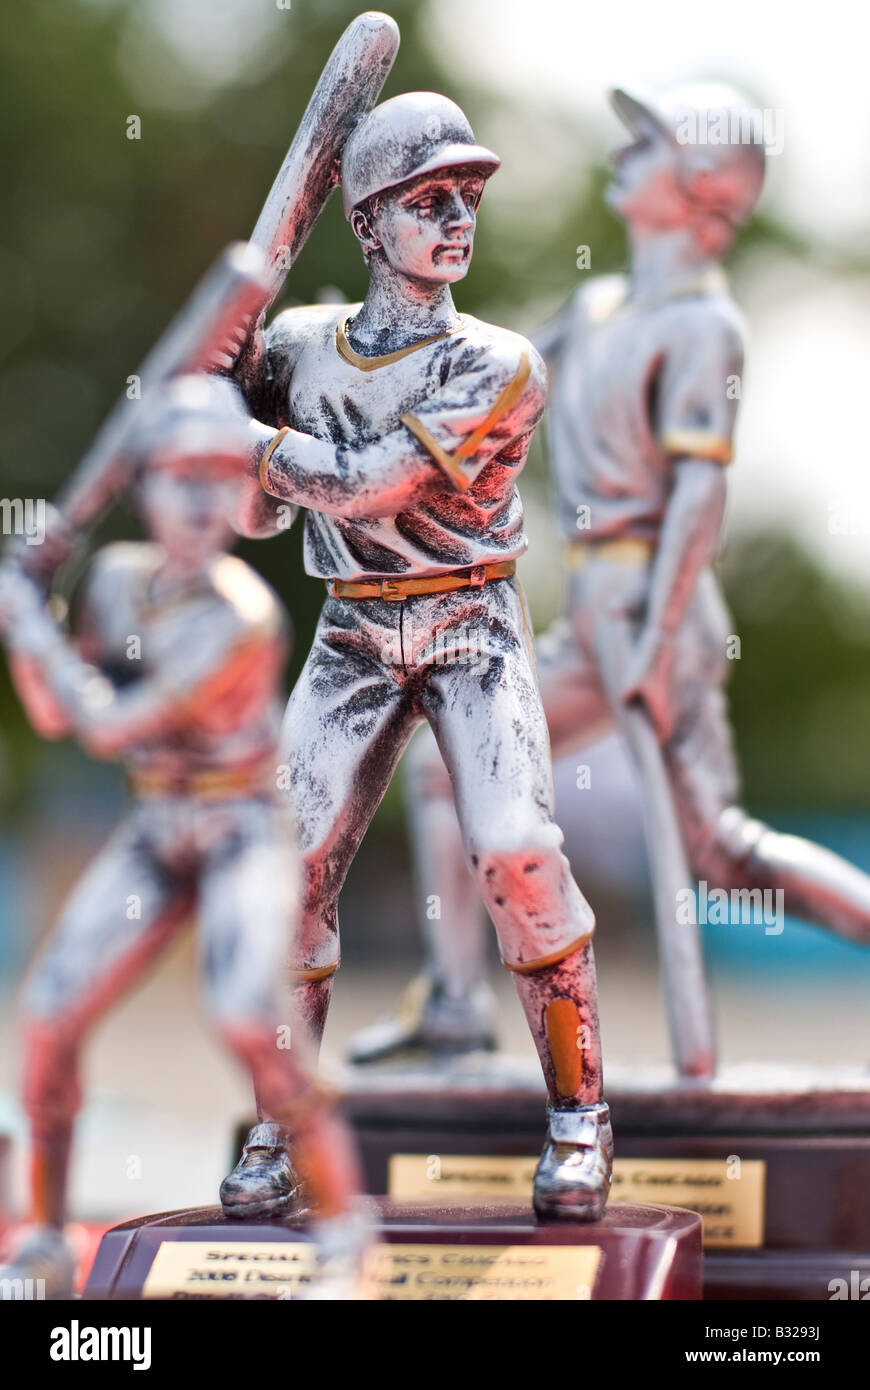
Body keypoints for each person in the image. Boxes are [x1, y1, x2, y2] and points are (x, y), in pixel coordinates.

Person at [350, 83, 870, 1068]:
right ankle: (457, 1000)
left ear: (701, 185)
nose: (622, 158)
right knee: (441, 768)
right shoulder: (593, 306)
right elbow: (475, 377)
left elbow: (697, 500)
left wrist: (658, 631)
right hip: (591, 604)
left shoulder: (701, 328)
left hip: (653, 610)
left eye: (649, 147)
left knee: (719, 850)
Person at [224, 92, 613, 1222]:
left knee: (518, 852)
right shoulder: (296, 344)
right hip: (351, 627)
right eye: (429, 200)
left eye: (469, 200)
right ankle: (276, 1125)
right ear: (368, 219)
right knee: (287, 873)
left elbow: (368, 485)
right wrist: (223, 396)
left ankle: (581, 1118)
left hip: (470, 626)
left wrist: (237, 436)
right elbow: (259, 523)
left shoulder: (500, 363)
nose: (458, 220)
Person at [0, 375, 366, 1296]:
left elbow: (110, 727)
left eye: (219, 476)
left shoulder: (245, 618)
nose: (202, 500)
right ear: (145, 486)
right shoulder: (119, 585)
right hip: (158, 829)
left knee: (249, 1016)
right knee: (48, 1020)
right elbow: (52, 711)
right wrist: (28, 618)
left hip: (242, 826)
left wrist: (21, 621)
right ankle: (42, 1240)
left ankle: (346, 1235)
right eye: (179, 476)